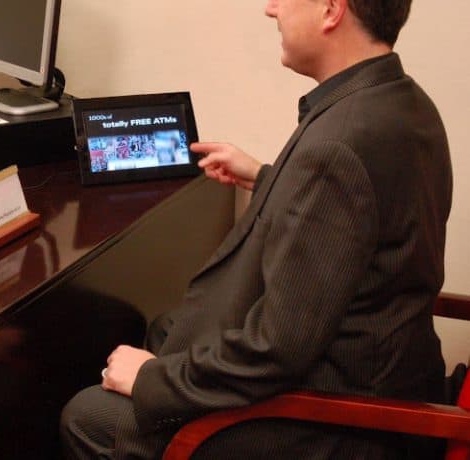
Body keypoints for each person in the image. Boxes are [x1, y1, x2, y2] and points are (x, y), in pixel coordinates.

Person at [61, 0, 452, 458]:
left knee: (86, 415)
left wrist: (151, 381)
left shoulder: (337, 148)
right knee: (169, 329)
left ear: (330, 10)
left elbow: (275, 351)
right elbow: (357, 217)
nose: (272, 9)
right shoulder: (402, 102)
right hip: (386, 373)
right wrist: (268, 177)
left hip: (342, 422)